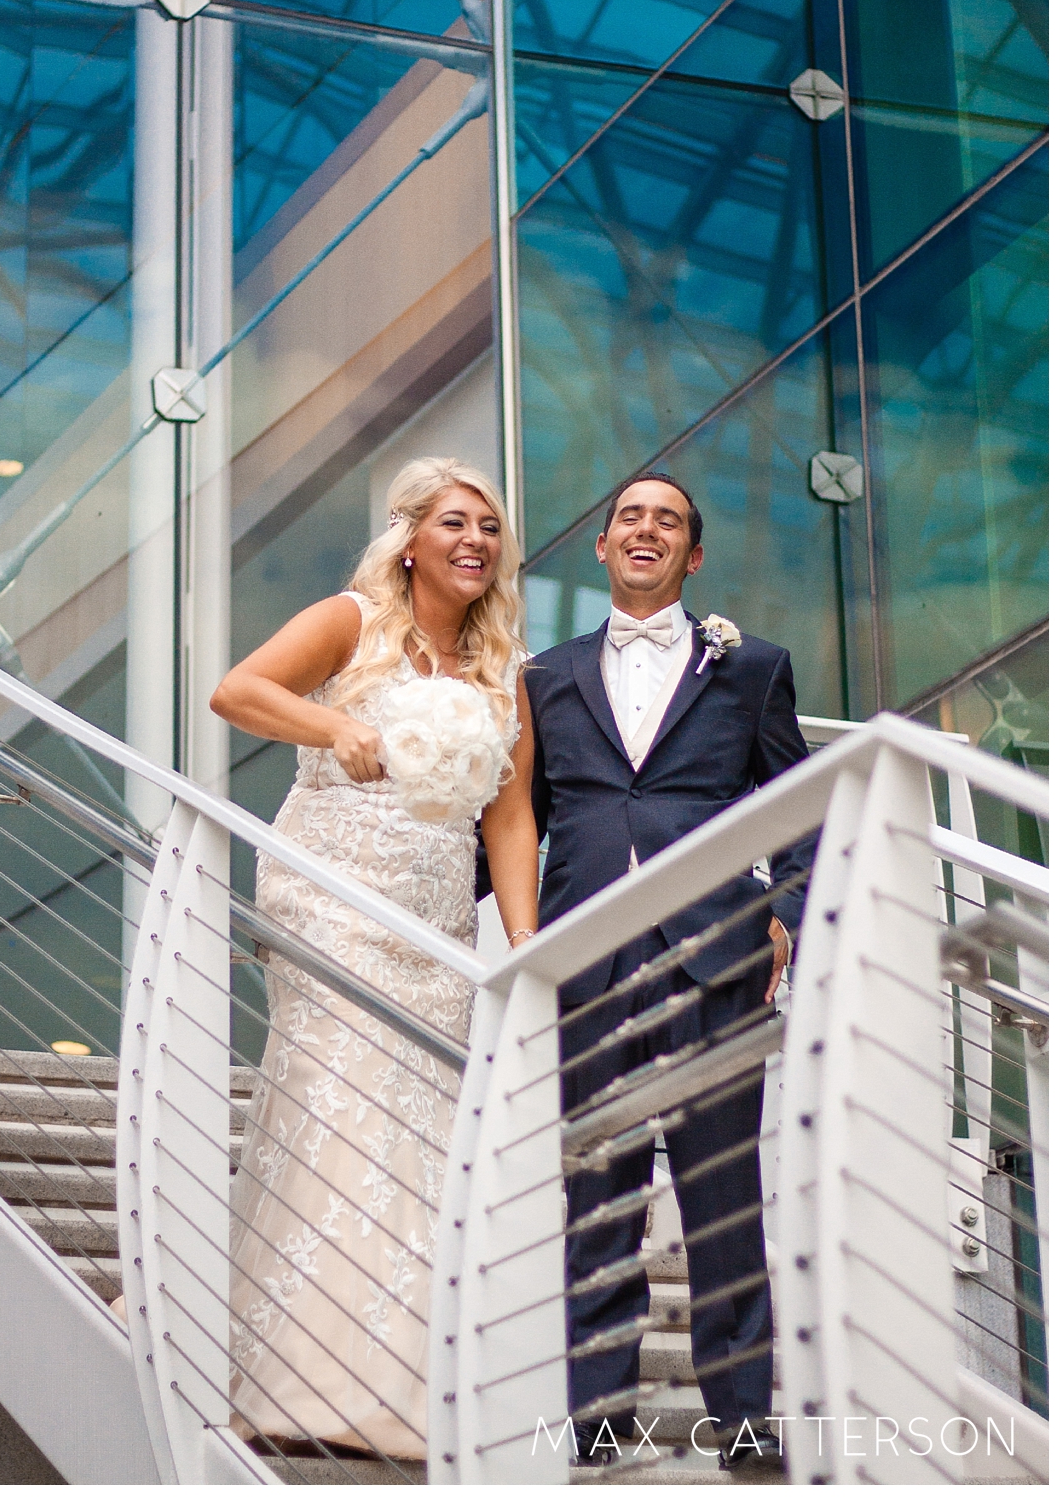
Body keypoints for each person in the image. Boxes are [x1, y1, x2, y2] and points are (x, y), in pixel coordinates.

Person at [210, 456, 540, 1460]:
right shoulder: (349, 619)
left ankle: (409, 1380)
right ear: (408, 537)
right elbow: (238, 690)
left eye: (489, 527)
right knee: (337, 1092)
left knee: (420, 1120)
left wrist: (522, 947)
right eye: (454, 522)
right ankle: (302, 1380)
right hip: (330, 891)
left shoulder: (501, 672)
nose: (475, 540)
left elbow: (511, 817)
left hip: (434, 921)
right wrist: (332, 722)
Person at [528, 472, 806, 1475]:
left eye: (668, 521)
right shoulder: (543, 676)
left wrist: (783, 918)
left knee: (723, 1198)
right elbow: (516, 824)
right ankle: (597, 1422)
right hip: (588, 959)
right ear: (600, 549)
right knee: (597, 1199)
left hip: (716, 960)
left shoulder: (754, 669)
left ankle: (744, 1421)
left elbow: (802, 810)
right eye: (628, 518)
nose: (645, 530)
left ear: (691, 557)